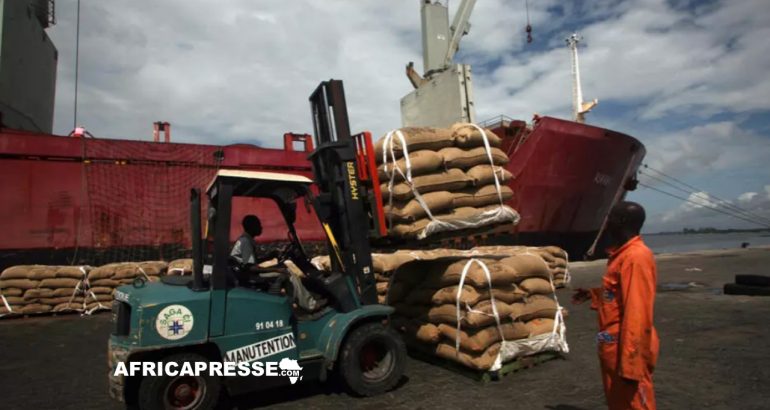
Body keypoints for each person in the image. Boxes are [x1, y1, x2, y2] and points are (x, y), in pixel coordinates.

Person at [573, 201, 660, 410]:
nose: (606, 222)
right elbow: (619, 293)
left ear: (620, 221)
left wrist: (632, 363)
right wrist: (595, 294)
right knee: (619, 402)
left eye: (610, 217)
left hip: (625, 346)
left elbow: (637, 310)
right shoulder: (622, 255)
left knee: (635, 403)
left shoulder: (635, 257)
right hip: (612, 344)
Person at [230, 214, 319, 312]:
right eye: (258, 225)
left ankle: (295, 303)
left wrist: (270, 256)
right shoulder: (246, 242)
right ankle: (310, 305)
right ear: (252, 227)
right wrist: (276, 269)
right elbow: (251, 267)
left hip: (246, 274)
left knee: (283, 268)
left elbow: (252, 262)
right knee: (288, 273)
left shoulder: (246, 240)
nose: (261, 227)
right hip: (249, 276)